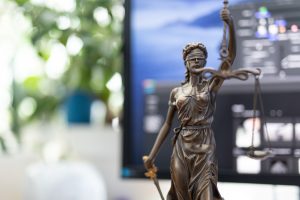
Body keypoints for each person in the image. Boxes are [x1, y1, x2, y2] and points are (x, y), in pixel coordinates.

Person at [143, 7, 235, 200]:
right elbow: (167, 124)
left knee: (206, 195)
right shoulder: (176, 92)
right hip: (182, 148)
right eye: (192, 58)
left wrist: (230, 25)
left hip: (204, 147)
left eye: (200, 59)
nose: (196, 61)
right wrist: (152, 156)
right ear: (185, 62)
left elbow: (229, 59)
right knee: (182, 196)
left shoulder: (210, 87)